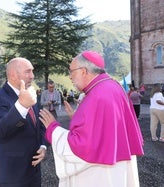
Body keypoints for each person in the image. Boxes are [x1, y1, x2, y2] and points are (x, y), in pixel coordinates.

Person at [39, 51, 144, 187]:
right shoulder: (112, 86)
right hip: (117, 167)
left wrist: (53, 128)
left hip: (100, 174)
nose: (70, 77)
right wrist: (76, 117)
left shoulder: (96, 96)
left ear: (83, 71)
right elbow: (104, 129)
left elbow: (82, 147)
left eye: (71, 72)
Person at [0, 57, 47, 187]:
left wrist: (43, 146)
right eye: (28, 72)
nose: (32, 76)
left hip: (34, 171)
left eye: (32, 71)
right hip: (13, 174)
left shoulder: (31, 94)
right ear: (13, 75)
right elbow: (1, 131)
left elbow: (40, 125)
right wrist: (21, 106)